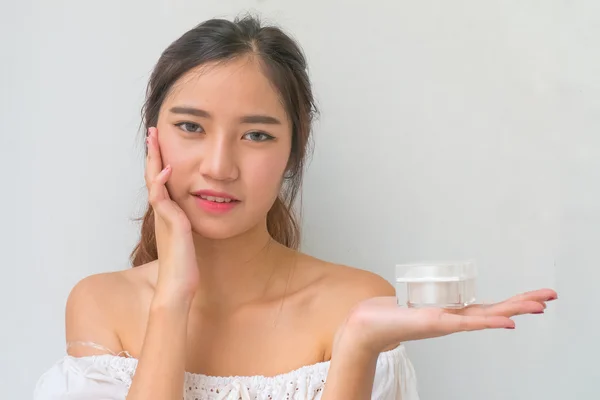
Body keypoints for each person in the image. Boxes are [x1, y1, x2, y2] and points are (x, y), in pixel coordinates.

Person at [33, 14, 557, 400]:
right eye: (191, 126)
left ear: (292, 155)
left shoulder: (356, 304)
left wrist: (355, 347)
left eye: (256, 134)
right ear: (153, 141)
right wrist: (174, 293)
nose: (219, 165)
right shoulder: (101, 306)